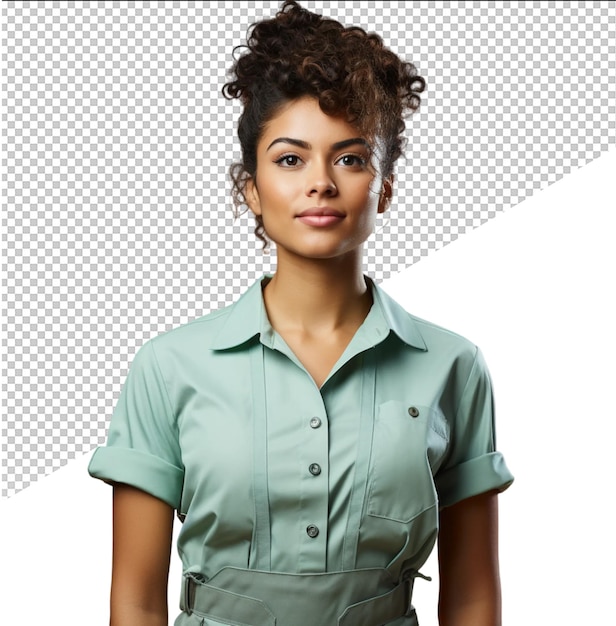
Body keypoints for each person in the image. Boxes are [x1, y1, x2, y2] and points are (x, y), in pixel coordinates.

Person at [88, 1, 514, 625]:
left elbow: (473, 596)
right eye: (290, 159)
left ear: (385, 186)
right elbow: (135, 600)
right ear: (251, 189)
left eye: (350, 157)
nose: (320, 182)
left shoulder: (453, 366)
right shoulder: (168, 367)